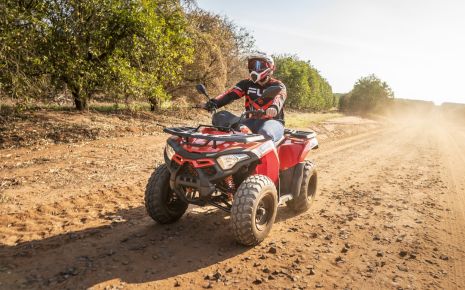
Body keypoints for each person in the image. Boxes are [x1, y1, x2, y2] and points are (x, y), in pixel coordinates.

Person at [202, 52, 287, 142]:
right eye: (252, 65)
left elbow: (279, 98)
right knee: (219, 116)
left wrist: (274, 107)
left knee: (265, 134)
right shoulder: (246, 83)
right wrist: (213, 103)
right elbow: (230, 94)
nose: (255, 69)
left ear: (270, 67)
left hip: (273, 122)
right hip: (250, 121)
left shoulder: (278, 85)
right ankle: (242, 134)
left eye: (259, 65)